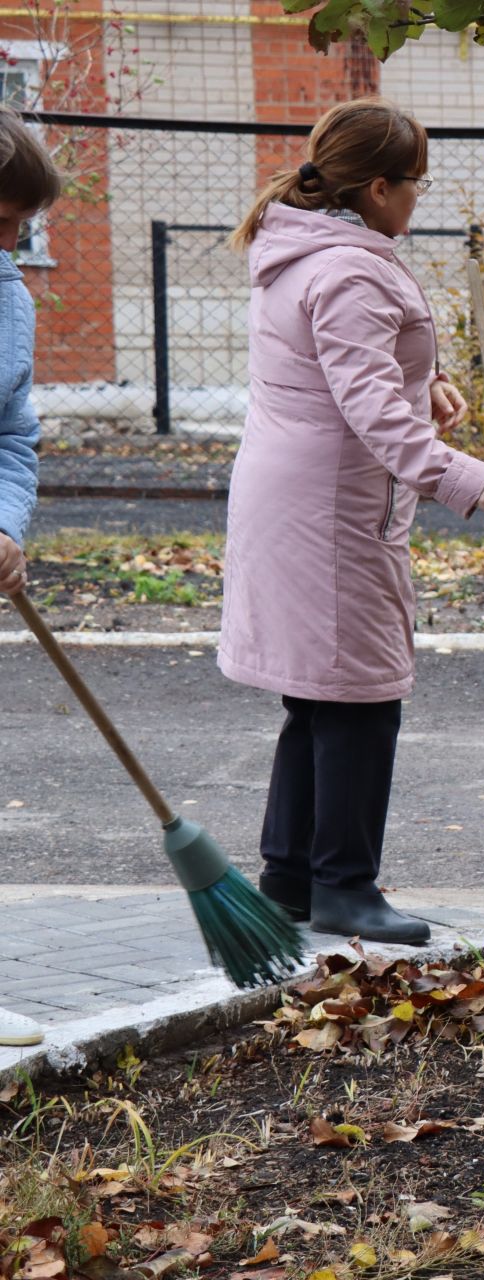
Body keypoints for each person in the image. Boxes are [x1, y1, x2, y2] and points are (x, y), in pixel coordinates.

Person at [219, 98, 484, 944]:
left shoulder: (307, 250)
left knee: (316, 699)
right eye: (416, 185)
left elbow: (334, 372)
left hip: (297, 493)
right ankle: (345, 888)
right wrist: (466, 476)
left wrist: (420, 380)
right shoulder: (352, 269)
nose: (419, 200)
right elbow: (368, 413)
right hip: (329, 508)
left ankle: (289, 877)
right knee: (359, 697)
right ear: (382, 186)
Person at [0, 108, 62, 1047]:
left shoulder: (10, 295)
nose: (13, 242)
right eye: (1, 222)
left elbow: (14, 435)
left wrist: (5, 522)